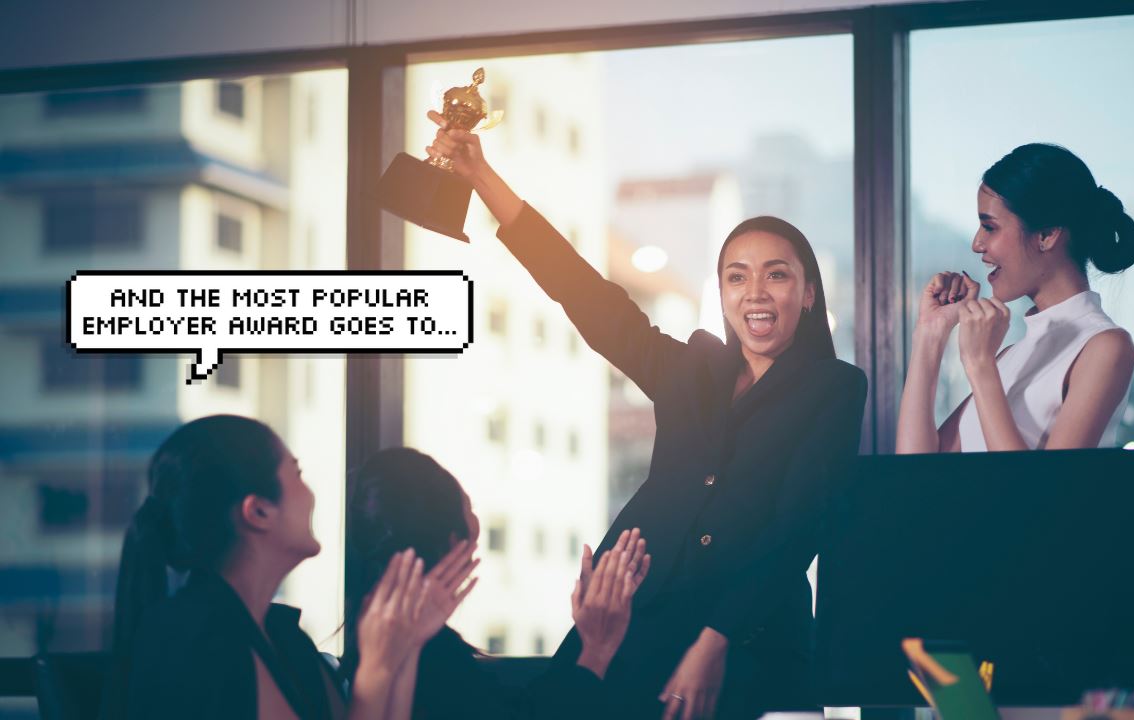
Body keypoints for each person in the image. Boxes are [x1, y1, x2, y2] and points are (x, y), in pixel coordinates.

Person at [424, 111, 867, 720]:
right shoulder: (690, 370)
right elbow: (584, 293)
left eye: (778, 275)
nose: (756, 292)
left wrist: (715, 642)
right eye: (737, 277)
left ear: (809, 292)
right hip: (631, 616)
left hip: (753, 640)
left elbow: (799, 529)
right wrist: (481, 177)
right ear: (722, 294)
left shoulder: (834, 388)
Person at [102, 415, 477, 720]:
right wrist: (376, 671)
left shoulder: (286, 639)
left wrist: (406, 645)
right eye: (296, 474)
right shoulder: (192, 639)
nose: (310, 493)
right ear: (259, 511)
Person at [345, 447, 651, 719]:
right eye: (469, 508)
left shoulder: (404, 645)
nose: (477, 528)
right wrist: (596, 648)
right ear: (453, 541)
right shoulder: (433, 659)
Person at [897, 143, 1134, 454]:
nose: (977, 243)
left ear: (1047, 235)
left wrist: (980, 365)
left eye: (989, 227)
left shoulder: (1106, 347)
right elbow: (914, 472)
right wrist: (930, 335)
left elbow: (1036, 495)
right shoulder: (1008, 356)